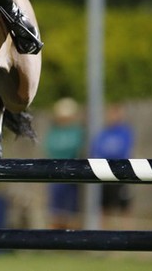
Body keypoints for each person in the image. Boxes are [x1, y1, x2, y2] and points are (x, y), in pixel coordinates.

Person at [43, 97, 85, 229]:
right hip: (55, 175)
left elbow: (77, 148)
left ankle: (73, 239)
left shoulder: (77, 131)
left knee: (72, 209)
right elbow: (49, 148)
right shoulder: (54, 132)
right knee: (55, 210)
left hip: (72, 175)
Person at [91, 103, 135, 228]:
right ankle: (104, 237)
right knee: (104, 207)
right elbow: (96, 150)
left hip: (121, 173)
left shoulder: (125, 132)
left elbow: (123, 151)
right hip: (105, 173)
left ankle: (126, 236)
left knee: (124, 206)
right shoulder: (103, 133)